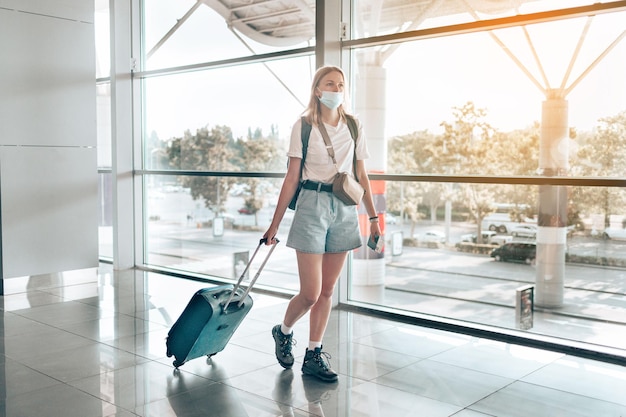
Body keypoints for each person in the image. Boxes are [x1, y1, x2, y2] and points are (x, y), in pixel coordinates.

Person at [262, 65, 381, 382]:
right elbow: (291, 178)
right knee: (311, 293)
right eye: (330, 84)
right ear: (317, 90)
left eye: (340, 84)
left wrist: (373, 217)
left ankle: (313, 353)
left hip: (344, 206)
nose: (336, 89)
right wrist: (274, 225)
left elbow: (362, 175)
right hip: (312, 206)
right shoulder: (303, 126)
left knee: (328, 290)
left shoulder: (353, 126)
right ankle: (284, 330)